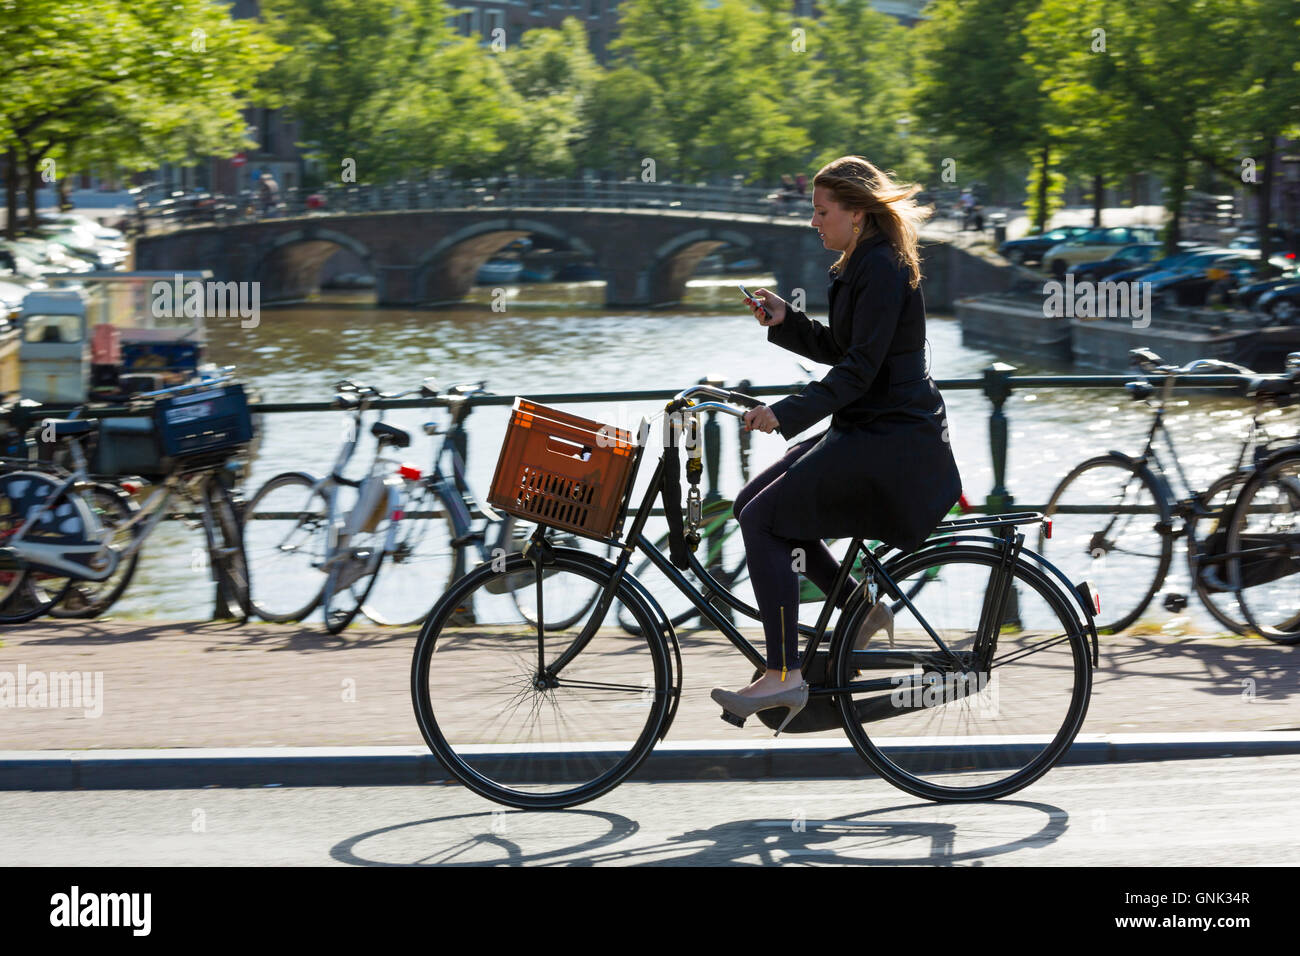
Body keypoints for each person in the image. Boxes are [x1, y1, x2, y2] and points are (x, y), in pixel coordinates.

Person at [710, 155, 963, 734]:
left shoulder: (882, 267)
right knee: (753, 503)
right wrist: (785, 321)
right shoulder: (861, 263)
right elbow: (846, 351)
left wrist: (784, 414)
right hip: (870, 427)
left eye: (823, 212)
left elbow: (858, 373)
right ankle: (859, 608)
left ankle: (783, 672)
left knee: (766, 521)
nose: (815, 222)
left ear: (856, 211)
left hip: (892, 438)